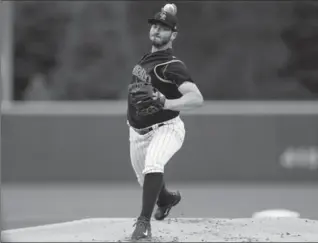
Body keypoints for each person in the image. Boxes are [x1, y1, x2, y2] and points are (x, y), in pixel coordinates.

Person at [127, 3, 204, 240]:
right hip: (137, 131)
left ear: (173, 35)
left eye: (163, 28)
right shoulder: (149, 58)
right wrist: (166, 13)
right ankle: (167, 199)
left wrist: (167, 103)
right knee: (146, 180)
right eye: (155, 26)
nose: (157, 31)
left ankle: (143, 224)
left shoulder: (172, 66)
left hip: (166, 129)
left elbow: (196, 98)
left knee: (153, 166)